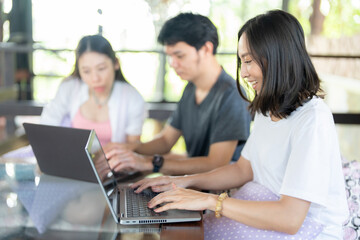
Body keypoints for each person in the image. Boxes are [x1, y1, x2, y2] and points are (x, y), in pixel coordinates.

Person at [131, 10, 349, 239]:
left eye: (248, 61)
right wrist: (182, 182)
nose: (243, 72)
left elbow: (290, 218)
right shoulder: (269, 107)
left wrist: (210, 199)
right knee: (176, 228)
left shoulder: (312, 119)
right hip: (264, 204)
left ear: (277, 56)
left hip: (308, 228)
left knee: (184, 232)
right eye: (241, 61)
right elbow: (243, 169)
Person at [106, 13, 251, 176]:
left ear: (206, 49)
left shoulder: (232, 95)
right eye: (170, 56)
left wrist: (148, 163)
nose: (173, 63)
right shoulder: (190, 88)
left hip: (220, 193)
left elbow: (216, 163)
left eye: (179, 55)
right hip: (193, 184)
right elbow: (166, 140)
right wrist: (130, 148)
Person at [40, 35, 146, 147]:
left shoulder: (132, 98)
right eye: (86, 71)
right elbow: (47, 127)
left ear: (116, 63)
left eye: (101, 69)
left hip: (113, 163)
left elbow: (133, 147)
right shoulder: (69, 88)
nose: (95, 79)